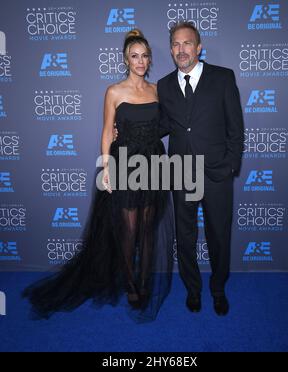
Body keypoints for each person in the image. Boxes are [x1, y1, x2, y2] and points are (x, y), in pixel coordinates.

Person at [22, 29, 174, 323]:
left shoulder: (157, 90)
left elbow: (164, 125)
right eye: (134, 56)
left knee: (147, 228)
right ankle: (131, 285)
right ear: (125, 59)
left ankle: (144, 282)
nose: (140, 61)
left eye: (144, 56)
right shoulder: (114, 91)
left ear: (150, 60)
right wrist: (106, 167)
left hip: (155, 163)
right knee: (128, 231)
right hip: (125, 164)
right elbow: (107, 131)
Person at [157, 21, 244, 315]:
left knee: (219, 234)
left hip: (217, 172)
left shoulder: (222, 78)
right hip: (181, 172)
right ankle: (192, 289)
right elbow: (164, 124)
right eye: (176, 45)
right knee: (185, 236)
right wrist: (129, 130)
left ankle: (218, 290)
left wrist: (231, 164)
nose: (182, 50)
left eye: (187, 43)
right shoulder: (165, 85)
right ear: (171, 50)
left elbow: (236, 127)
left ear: (199, 47)